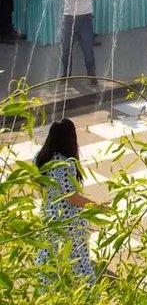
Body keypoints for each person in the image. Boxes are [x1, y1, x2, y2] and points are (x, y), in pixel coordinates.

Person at [34, 119, 99, 283]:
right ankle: (88, 290)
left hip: (49, 212)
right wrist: (97, 207)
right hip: (68, 219)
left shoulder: (40, 157)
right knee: (79, 257)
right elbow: (72, 197)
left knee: (49, 253)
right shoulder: (65, 163)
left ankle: (44, 286)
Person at [59, 0, 97, 86]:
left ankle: (91, 75)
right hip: (69, 17)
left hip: (85, 17)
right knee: (66, 48)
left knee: (87, 48)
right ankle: (66, 74)